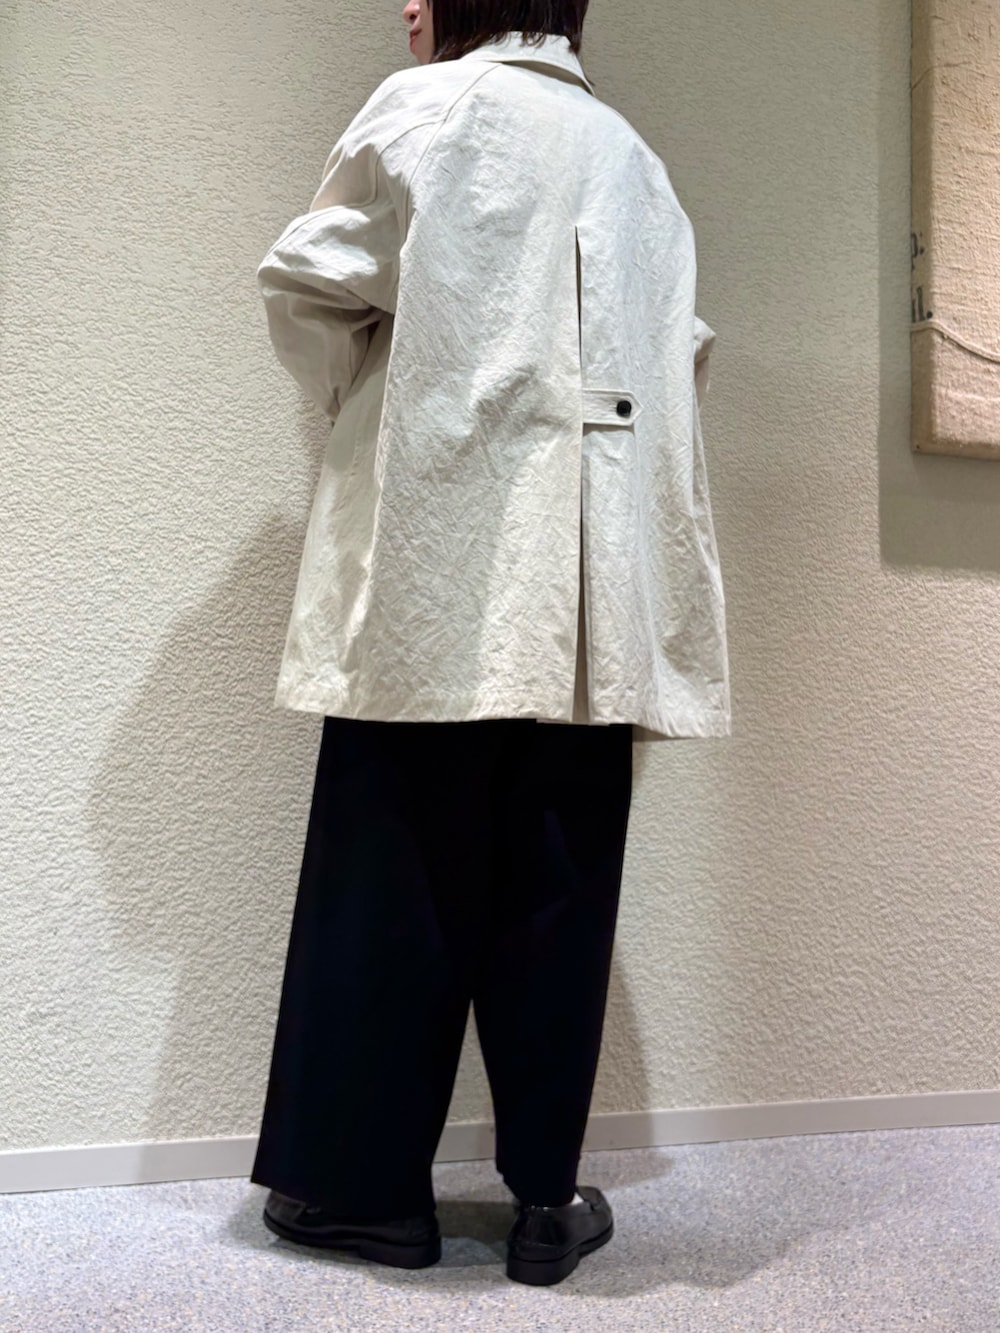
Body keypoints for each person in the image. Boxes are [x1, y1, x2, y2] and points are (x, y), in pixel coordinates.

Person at [250, 0, 729, 1289]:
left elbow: (309, 282)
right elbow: (679, 358)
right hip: (590, 597)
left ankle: (364, 1200)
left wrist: (366, 409)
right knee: (558, 888)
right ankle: (546, 1205)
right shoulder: (634, 159)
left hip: (442, 573)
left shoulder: (431, 109)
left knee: (393, 877)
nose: (405, 7)